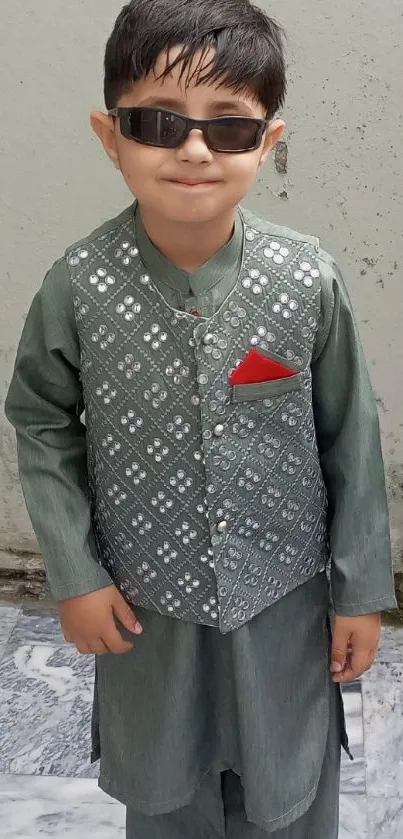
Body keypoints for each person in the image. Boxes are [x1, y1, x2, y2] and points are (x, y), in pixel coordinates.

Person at [5, 1, 397, 836]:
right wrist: (74, 571)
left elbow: (349, 438)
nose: (192, 149)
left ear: (269, 141)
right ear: (110, 136)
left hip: (283, 608)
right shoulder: (77, 287)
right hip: (145, 612)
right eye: (157, 122)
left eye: (228, 128)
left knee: (288, 783)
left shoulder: (307, 279)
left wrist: (361, 588)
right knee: (163, 784)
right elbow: (40, 419)